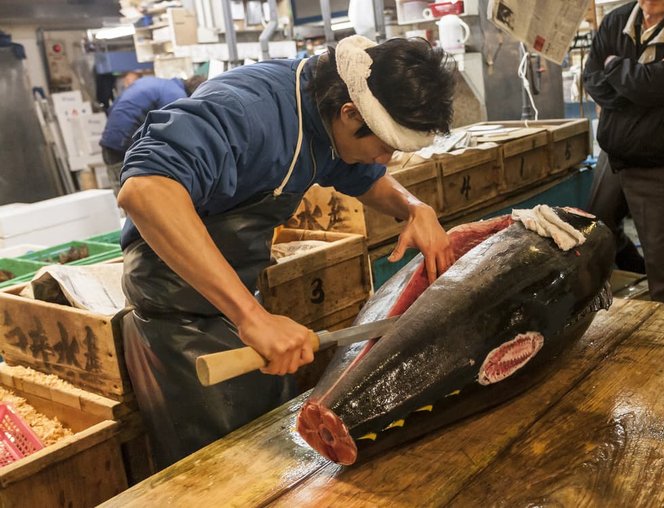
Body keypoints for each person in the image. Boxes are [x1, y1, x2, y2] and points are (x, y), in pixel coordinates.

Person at [115, 35, 456, 468]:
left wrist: (413, 208)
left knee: (273, 457)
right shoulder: (247, 110)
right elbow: (145, 191)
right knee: (223, 473)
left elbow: (363, 175)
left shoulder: (325, 114)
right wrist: (251, 318)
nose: (386, 159)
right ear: (350, 114)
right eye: (385, 146)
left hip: (234, 301)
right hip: (177, 318)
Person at [583, 0, 664, 304]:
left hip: (659, 166)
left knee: (663, 265)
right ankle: (636, 270)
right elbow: (592, 80)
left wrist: (615, 66)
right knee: (598, 231)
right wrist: (637, 86)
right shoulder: (616, 21)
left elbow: (659, 88)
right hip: (613, 157)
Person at [100, 73, 207, 165]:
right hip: (123, 145)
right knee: (136, 186)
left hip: (109, 140)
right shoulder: (176, 95)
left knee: (121, 186)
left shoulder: (155, 82)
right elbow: (172, 132)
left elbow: (113, 108)